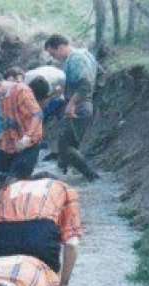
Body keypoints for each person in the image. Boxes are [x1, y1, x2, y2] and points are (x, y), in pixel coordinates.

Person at [44, 34, 100, 181]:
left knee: (65, 146)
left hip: (79, 106)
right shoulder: (85, 55)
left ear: (61, 47)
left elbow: (85, 84)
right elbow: (98, 77)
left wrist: (72, 103)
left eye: (53, 53)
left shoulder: (76, 59)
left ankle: (92, 177)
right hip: (83, 104)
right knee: (70, 144)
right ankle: (64, 176)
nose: (54, 58)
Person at [0, 69, 44, 188]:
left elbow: (37, 114)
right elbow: (9, 121)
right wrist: (0, 137)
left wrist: (27, 137)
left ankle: (43, 182)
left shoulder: (22, 91)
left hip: (28, 144)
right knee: (1, 184)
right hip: (9, 144)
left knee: (14, 185)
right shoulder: (1, 97)